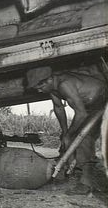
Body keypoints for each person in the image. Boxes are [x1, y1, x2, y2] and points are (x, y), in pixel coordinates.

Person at [26, 65, 107, 194]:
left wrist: (69, 135)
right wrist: (64, 132)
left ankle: (86, 184)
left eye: (40, 87)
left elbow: (81, 114)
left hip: (102, 100)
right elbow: (59, 108)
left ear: (49, 80)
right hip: (91, 106)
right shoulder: (53, 88)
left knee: (83, 138)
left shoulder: (65, 85)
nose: (40, 91)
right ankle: (67, 171)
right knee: (68, 137)